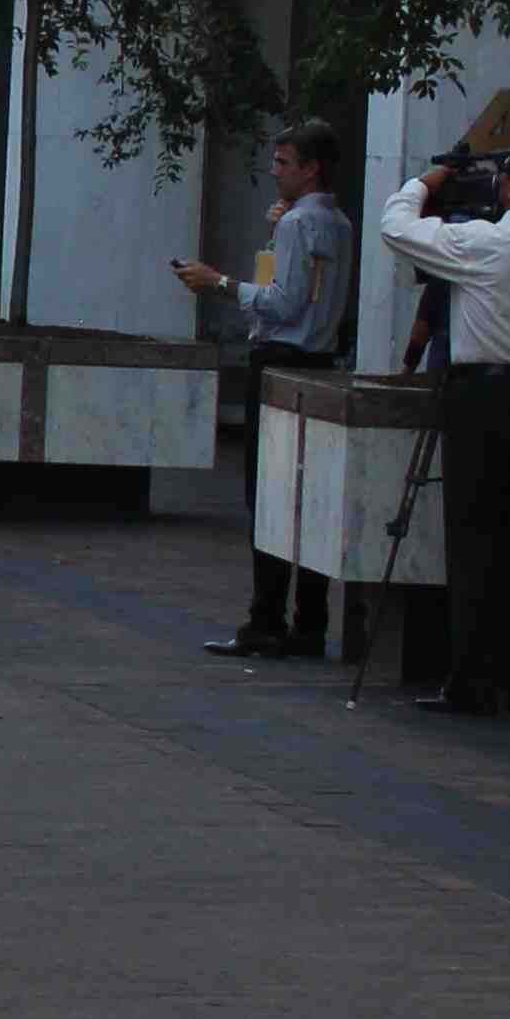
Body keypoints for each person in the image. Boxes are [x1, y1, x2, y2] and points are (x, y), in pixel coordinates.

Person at [376, 138, 510, 715]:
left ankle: (472, 679)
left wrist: (428, 181)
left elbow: (397, 227)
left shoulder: (484, 243)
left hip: (482, 398)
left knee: (474, 539)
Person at [178, 119, 355, 657]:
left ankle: (267, 618)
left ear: (311, 168)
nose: (275, 171)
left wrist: (220, 283)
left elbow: (283, 302)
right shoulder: (337, 221)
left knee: (271, 494)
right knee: (308, 493)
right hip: (319, 360)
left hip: (280, 359)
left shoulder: (300, 222)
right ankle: (308, 620)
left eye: (283, 162)